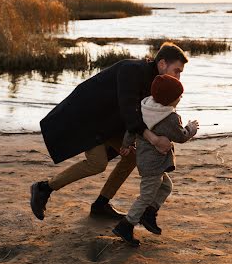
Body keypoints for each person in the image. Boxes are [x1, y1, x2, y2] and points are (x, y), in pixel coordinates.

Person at [30, 43, 188, 221]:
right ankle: (44, 188)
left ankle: (101, 204)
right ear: (162, 64)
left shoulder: (157, 83)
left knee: (133, 157)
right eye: (177, 71)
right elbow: (129, 111)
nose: (178, 77)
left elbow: (148, 116)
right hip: (87, 117)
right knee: (97, 163)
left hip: (109, 123)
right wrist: (153, 139)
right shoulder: (132, 70)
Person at [112, 74, 199, 246]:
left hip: (145, 160)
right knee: (145, 196)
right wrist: (191, 128)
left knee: (166, 186)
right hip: (154, 164)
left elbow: (133, 128)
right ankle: (126, 225)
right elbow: (180, 136)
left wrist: (126, 144)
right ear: (170, 100)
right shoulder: (170, 118)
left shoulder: (145, 107)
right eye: (178, 96)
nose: (181, 98)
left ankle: (149, 213)